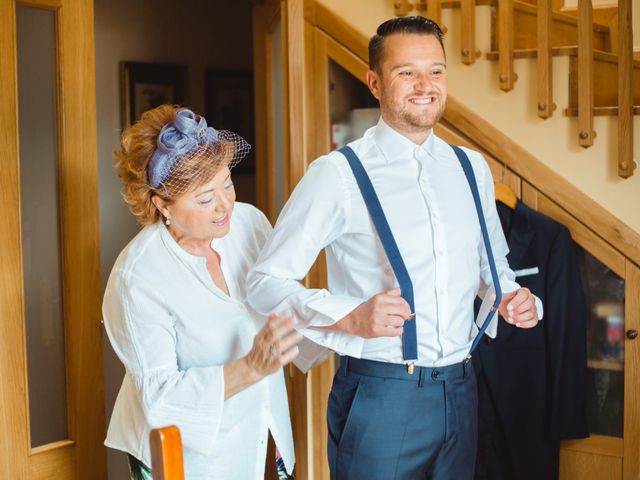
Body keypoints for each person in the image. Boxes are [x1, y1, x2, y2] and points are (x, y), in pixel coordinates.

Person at [247, 16, 542, 479]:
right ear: (375, 83)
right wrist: (349, 316)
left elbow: (494, 268)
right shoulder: (338, 174)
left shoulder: (472, 168)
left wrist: (510, 295)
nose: (426, 85)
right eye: (407, 72)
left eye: (437, 71)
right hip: (381, 397)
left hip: (462, 390)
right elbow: (263, 283)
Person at [103, 105, 301, 479]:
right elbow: (160, 398)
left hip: (260, 427)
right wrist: (251, 366)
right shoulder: (138, 278)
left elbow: (283, 299)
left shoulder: (251, 223)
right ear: (162, 205)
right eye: (205, 198)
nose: (225, 205)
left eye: (226, 183)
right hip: (183, 458)